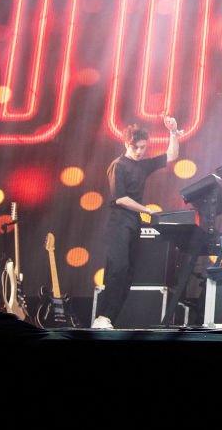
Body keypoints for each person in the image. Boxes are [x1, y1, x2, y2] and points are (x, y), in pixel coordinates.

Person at [91, 116, 180, 329]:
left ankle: (109, 318)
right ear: (126, 144)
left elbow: (171, 155)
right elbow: (120, 198)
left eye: (143, 147)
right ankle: (102, 316)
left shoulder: (143, 165)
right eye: (136, 147)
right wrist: (146, 209)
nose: (140, 152)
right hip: (119, 222)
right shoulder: (118, 166)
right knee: (118, 268)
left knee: (128, 274)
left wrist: (173, 133)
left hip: (134, 224)